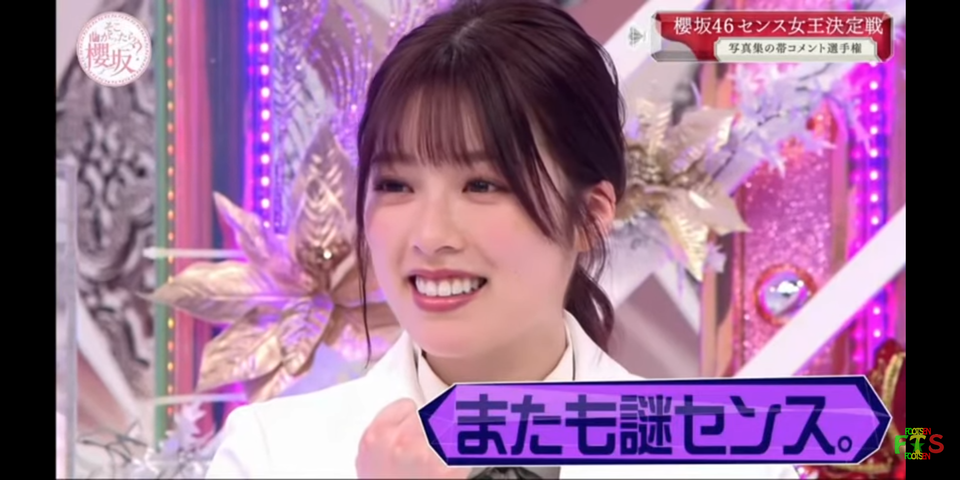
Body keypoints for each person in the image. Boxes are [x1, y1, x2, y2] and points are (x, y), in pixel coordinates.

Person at [206, 0, 799, 478]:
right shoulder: (271, 455)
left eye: (482, 185)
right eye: (396, 184)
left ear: (590, 215)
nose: (430, 236)